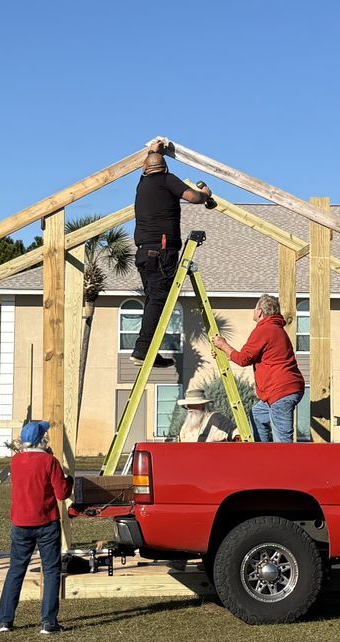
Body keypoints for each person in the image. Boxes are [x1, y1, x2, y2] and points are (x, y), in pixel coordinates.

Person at [131, 143, 213, 369]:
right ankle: (142, 349)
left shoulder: (142, 184)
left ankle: (147, 348)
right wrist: (205, 195)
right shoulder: (167, 180)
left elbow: (148, 165)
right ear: (165, 167)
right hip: (161, 253)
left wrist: (152, 151)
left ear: (144, 169)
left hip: (143, 254)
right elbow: (192, 197)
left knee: (153, 301)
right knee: (158, 301)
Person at [0, 419, 71, 635]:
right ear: (43, 440)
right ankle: (48, 622)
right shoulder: (50, 462)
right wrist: (70, 481)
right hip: (46, 522)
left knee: (16, 569)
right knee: (51, 570)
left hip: (20, 522)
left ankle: (5, 620)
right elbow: (62, 493)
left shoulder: (16, 461)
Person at [213, 295, 306, 442]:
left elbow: (243, 359)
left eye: (255, 307)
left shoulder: (264, 330)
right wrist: (225, 353)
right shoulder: (276, 330)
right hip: (287, 388)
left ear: (260, 311)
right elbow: (251, 357)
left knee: (282, 442)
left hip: (280, 392)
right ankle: (262, 454)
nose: (254, 310)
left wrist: (223, 345)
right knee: (257, 415)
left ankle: (283, 463)